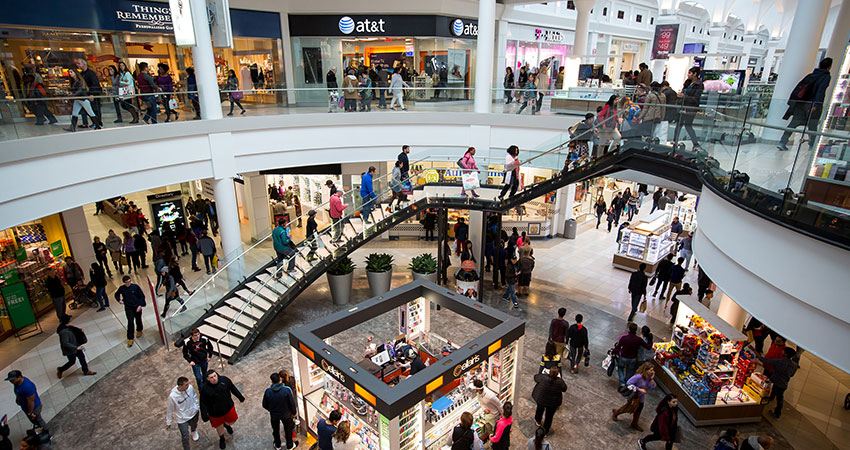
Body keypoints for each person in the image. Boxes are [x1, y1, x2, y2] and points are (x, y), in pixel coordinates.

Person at [778, 58, 832, 151]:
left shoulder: (811, 75)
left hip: (801, 103)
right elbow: (820, 91)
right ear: (829, 67)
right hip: (812, 104)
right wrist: (816, 104)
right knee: (812, 125)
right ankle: (812, 145)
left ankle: (782, 142)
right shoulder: (826, 77)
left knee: (793, 123)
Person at [200, 370, 244, 449]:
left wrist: (240, 397)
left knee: (232, 420)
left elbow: (232, 388)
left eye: (215, 376)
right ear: (207, 379)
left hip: (228, 407)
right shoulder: (204, 389)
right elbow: (203, 402)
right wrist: (204, 414)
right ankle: (222, 438)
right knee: (219, 427)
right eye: (211, 377)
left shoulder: (224, 380)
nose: (214, 378)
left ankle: (226, 425)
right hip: (215, 413)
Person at [613, 362, 656, 430]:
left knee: (639, 409)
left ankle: (634, 423)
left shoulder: (648, 377)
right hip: (634, 396)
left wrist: (652, 379)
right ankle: (616, 412)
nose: (652, 372)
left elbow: (652, 387)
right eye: (651, 370)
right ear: (645, 370)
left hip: (641, 397)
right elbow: (629, 384)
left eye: (653, 370)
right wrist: (639, 389)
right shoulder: (638, 376)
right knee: (629, 407)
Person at [758, 346, 798, 418]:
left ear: (786, 354)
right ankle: (777, 414)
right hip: (783, 384)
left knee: (768, 396)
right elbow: (792, 375)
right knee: (780, 399)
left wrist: (757, 354)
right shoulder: (794, 365)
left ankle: (759, 410)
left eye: (783, 351)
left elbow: (767, 361)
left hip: (775, 382)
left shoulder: (780, 361)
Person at [263, 372, 298, 450]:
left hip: (274, 415)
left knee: (275, 430)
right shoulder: (287, 390)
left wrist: (271, 410)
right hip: (286, 414)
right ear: (280, 379)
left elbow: (264, 404)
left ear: (271, 381)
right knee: (288, 429)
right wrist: (293, 413)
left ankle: (278, 445)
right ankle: (290, 445)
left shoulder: (268, 391)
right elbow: (292, 403)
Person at [614, 322, 653, 390]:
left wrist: (613, 352)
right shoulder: (638, 339)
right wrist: (650, 339)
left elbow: (618, 347)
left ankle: (622, 382)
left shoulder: (624, 338)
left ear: (629, 329)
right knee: (630, 371)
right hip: (633, 358)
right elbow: (648, 347)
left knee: (620, 368)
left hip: (624, 356)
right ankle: (626, 382)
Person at [674, 66, 705, 151]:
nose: (688, 75)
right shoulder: (687, 83)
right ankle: (675, 141)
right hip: (682, 106)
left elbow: (695, 99)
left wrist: (685, 97)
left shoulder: (699, 85)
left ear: (695, 74)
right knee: (679, 125)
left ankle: (695, 143)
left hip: (690, 108)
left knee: (688, 125)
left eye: (690, 73)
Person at [167, 376, 201, 450]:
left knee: (194, 424)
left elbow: (194, 396)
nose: (188, 386)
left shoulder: (190, 388)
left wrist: (196, 407)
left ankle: (194, 430)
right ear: (180, 386)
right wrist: (168, 422)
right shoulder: (173, 396)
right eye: (186, 385)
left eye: (188, 384)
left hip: (193, 413)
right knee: (185, 436)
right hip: (182, 419)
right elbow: (170, 409)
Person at [531, 367, 566, 434]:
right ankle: (545, 430)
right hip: (553, 402)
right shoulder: (560, 382)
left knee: (540, 409)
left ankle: (538, 420)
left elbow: (535, 377)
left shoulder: (543, 377)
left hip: (542, 398)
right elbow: (564, 389)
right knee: (549, 416)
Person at [114, 275, 146, 347]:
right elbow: (116, 294)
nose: (128, 283)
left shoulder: (135, 287)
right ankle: (130, 338)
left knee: (138, 319)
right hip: (128, 307)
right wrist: (119, 300)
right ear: (124, 282)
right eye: (127, 282)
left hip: (137, 306)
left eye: (129, 281)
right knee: (130, 321)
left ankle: (139, 330)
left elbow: (141, 296)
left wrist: (140, 305)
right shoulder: (122, 288)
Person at [76, 58, 103, 127]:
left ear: (84, 64)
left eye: (79, 63)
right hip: (87, 94)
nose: (77, 65)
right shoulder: (82, 74)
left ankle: (98, 122)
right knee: (87, 109)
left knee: (95, 109)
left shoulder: (91, 73)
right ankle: (91, 122)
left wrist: (92, 93)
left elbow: (95, 84)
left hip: (92, 94)